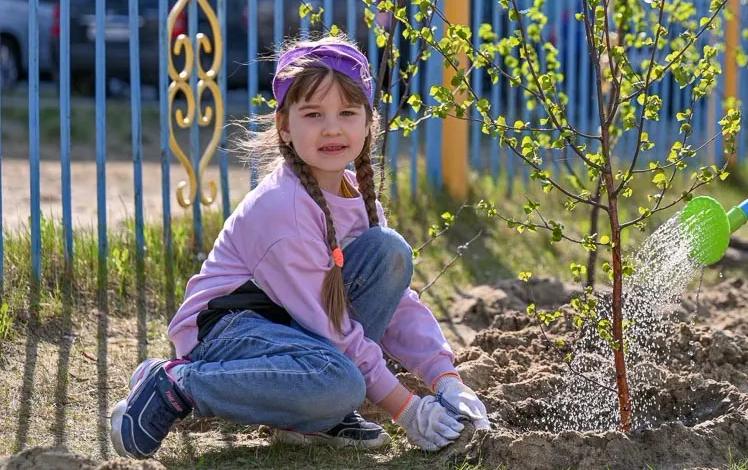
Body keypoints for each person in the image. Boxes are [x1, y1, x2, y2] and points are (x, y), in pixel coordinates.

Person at [110, 35, 490, 460]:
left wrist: (446, 379)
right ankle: (178, 384)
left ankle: (315, 415)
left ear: (369, 124)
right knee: (342, 383)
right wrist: (409, 410)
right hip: (228, 331)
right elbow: (334, 328)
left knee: (390, 252)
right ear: (285, 127)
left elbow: (396, 304)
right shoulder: (284, 209)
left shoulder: (359, 198)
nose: (332, 127)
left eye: (348, 112)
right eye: (313, 114)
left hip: (295, 326)